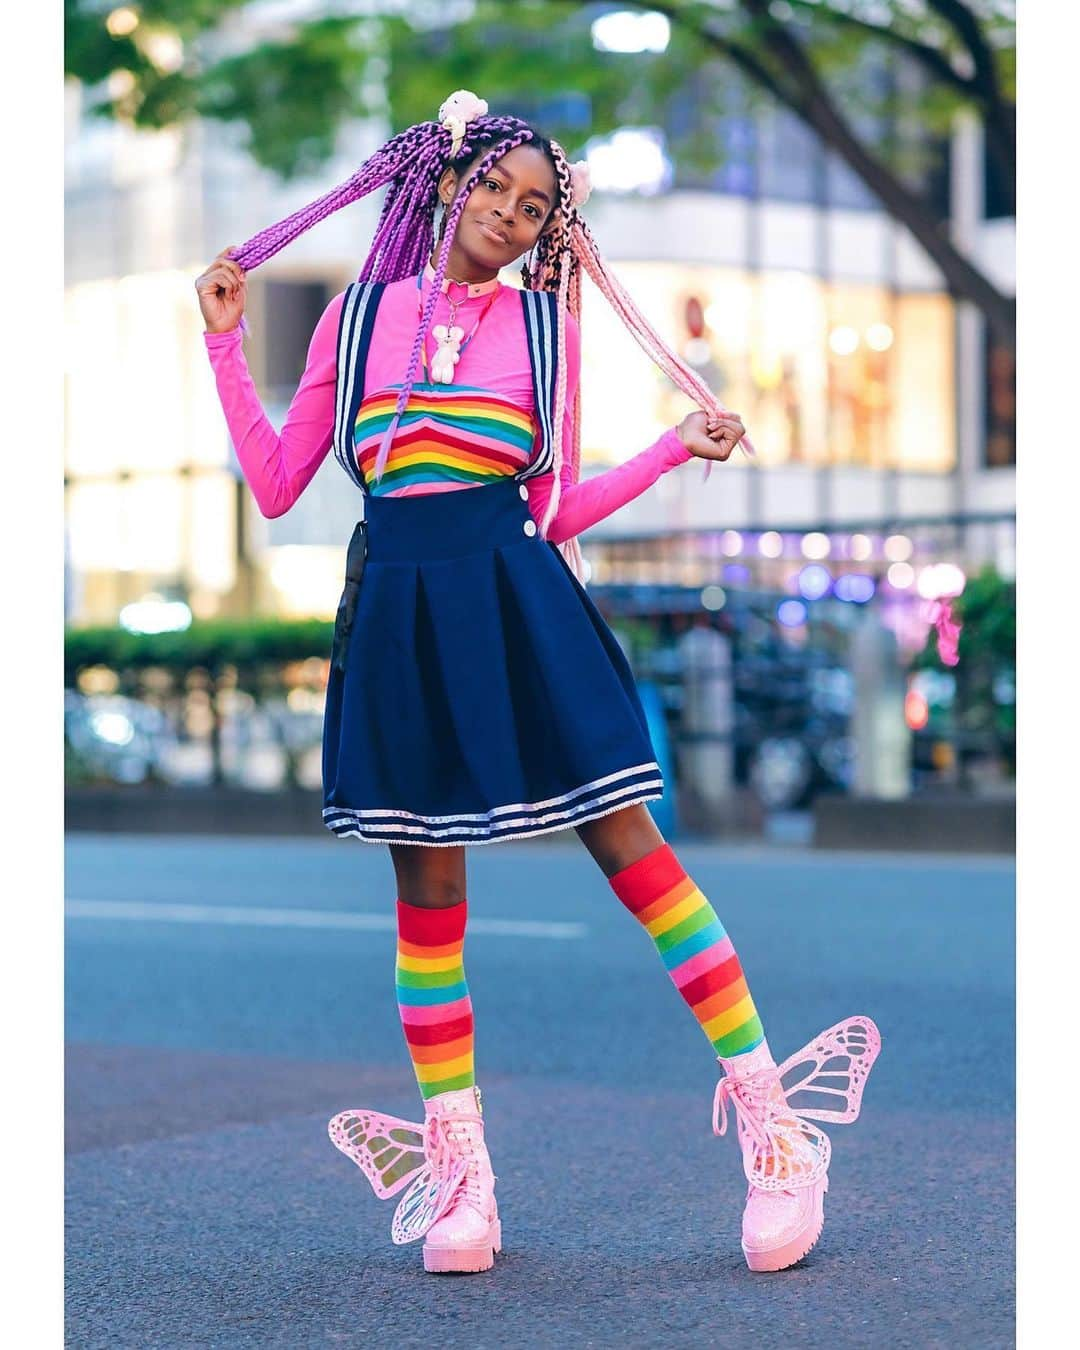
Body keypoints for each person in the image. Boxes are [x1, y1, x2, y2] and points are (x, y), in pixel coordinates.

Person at [197, 91, 880, 1277]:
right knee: (427, 893)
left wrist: (673, 448)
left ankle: (779, 1131)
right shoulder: (355, 319)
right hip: (403, 608)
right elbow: (274, 482)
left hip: (519, 597)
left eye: (536, 208)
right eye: (497, 191)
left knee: (636, 856)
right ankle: (463, 1180)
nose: (512, 218)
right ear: (446, 182)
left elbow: (554, 507)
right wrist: (220, 341)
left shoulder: (548, 333)